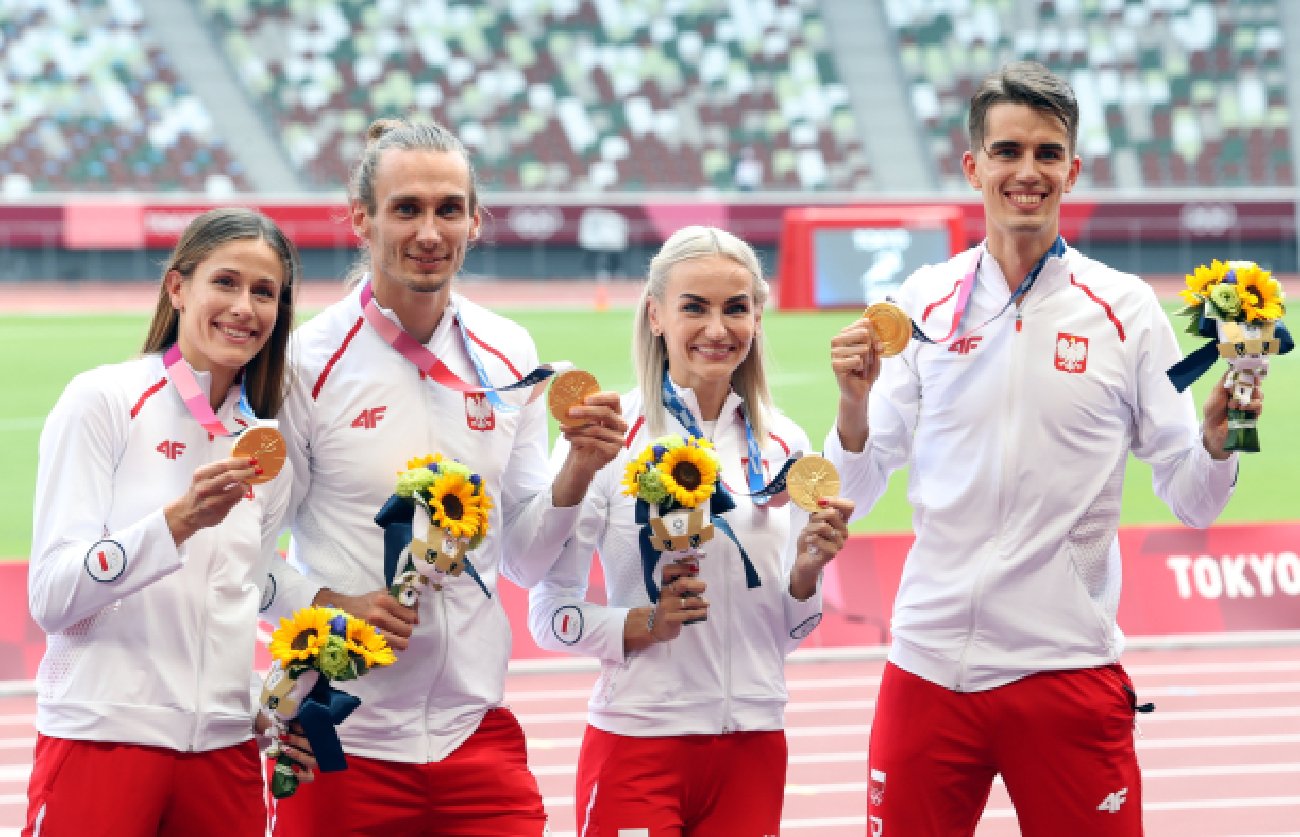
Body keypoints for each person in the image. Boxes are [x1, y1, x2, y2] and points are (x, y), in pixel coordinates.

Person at [826, 60, 1263, 836]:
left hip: (1066, 668)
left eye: (1047, 153)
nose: (1027, 171)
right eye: (1008, 151)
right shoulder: (920, 304)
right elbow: (854, 488)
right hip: (930, 666)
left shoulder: (1126, 310)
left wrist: (1218, 442)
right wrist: (854, 402)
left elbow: (1193, 500)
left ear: (1073, 169)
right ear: (974, 167)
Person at [267, 117, 626, 836]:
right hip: (341, 735)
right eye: (406, 209)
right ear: (361, 218)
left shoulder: (509, 350)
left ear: (475, 221)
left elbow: (523, 559)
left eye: (448, 209)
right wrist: (334, 603)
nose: (429, 232)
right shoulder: (305, 363)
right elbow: (242, 557)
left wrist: (579, 470)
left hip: (473, 728)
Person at [528, 225, 854, 836]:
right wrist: (643, 623)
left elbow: (788, 633)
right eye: (695, 308)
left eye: (736, 308)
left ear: (757, 318)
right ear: (655, 315)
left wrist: (806, 575)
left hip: (754, 741)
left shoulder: (784, 443)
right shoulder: (610, 438)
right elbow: (548, 616)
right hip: (640, 740)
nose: (717, 329)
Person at [26, 207, 316, 836]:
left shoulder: (266, 446)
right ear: (178, 288)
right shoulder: (103, 401)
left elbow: (245, 590)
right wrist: (175, 524)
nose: (244, 307)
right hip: (103, 734)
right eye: (226, 282)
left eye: (264, 292)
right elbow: (50, 597)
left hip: (224, 750)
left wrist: (265, 700)